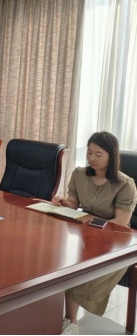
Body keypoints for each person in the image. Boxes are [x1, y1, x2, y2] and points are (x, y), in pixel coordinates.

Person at [51, 132, 137, 335]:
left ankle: (71, 323)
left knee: (76, 279)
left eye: (98, 154)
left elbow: (120, 223)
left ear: (111, 156)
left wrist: (87, 224)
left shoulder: (125, 185)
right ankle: (58, 317)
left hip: (117, 244)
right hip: (86, 237)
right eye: (89, 152)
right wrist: (62, 203)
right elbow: (73, 204)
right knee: (56, 264)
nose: (92, 158)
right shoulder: (80, 174)